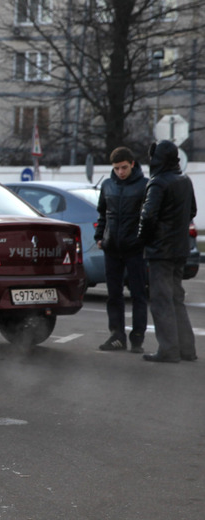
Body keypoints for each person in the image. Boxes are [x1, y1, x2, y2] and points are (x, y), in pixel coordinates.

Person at [137, 139, 198, 363]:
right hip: (180, 249)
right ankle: (187, 350)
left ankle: (169, 350)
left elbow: (147, 216)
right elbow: (192, 210)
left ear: (157, 158)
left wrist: (142, 240)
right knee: (176, 299)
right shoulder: (185, 180)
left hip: (160, 251)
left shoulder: (158, 183)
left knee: (162, 300)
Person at [94, 147, 149, 352]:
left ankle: (137, 339)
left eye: (124, 167)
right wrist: (100, 237)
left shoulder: (144, 185)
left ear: (132, 164)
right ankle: (117, 336)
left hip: (134, 249)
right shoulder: (108, 185)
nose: (120, 172)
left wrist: (142, 241)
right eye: (116, 168)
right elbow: (103, 214)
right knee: (113, 295)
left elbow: (149, 218)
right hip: (112, 249)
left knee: (138, 295)